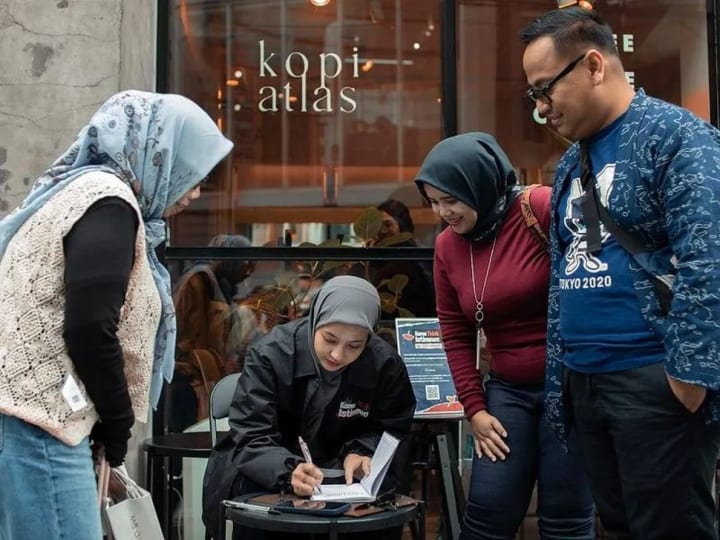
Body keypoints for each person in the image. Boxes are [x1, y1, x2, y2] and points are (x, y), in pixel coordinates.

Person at [521, 7, 720, 538]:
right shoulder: (572, 161)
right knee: (618, 526)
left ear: (593, 65)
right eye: (533, 95)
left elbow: (709, 257)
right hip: (586, 381)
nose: (541, 109)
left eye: (545, 90)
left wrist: (688, 377)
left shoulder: (676, 136)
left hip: (654, 378)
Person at [0, 90, 232, 539]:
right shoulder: (108, 204)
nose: (195, 192)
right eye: (190, 172)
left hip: (32, 423)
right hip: (43, 428)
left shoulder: (81, 193)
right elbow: (90, 326)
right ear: (155, 153)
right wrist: (117, 423)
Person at [414, 132, 594, 540]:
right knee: (487, 514)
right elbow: (454, 331)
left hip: (569, 383)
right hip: (508, 391)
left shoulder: (540, 206)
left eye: (451, 200)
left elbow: (598, 253)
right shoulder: (446, 247)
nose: (443, 212)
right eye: (433, 202)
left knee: (566, 517)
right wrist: (474, 409)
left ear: (479, 184)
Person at [202, 275, 416, 540]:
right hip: (269, 472)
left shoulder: (384, 365)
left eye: (354, 346)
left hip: (344, 479)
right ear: (315, 320)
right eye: (329, 339)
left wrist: (362, 452)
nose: (337, 354)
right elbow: (251, 435)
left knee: (377, 507)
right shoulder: (270, 354)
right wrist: (287, 470)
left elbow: (393, 427)